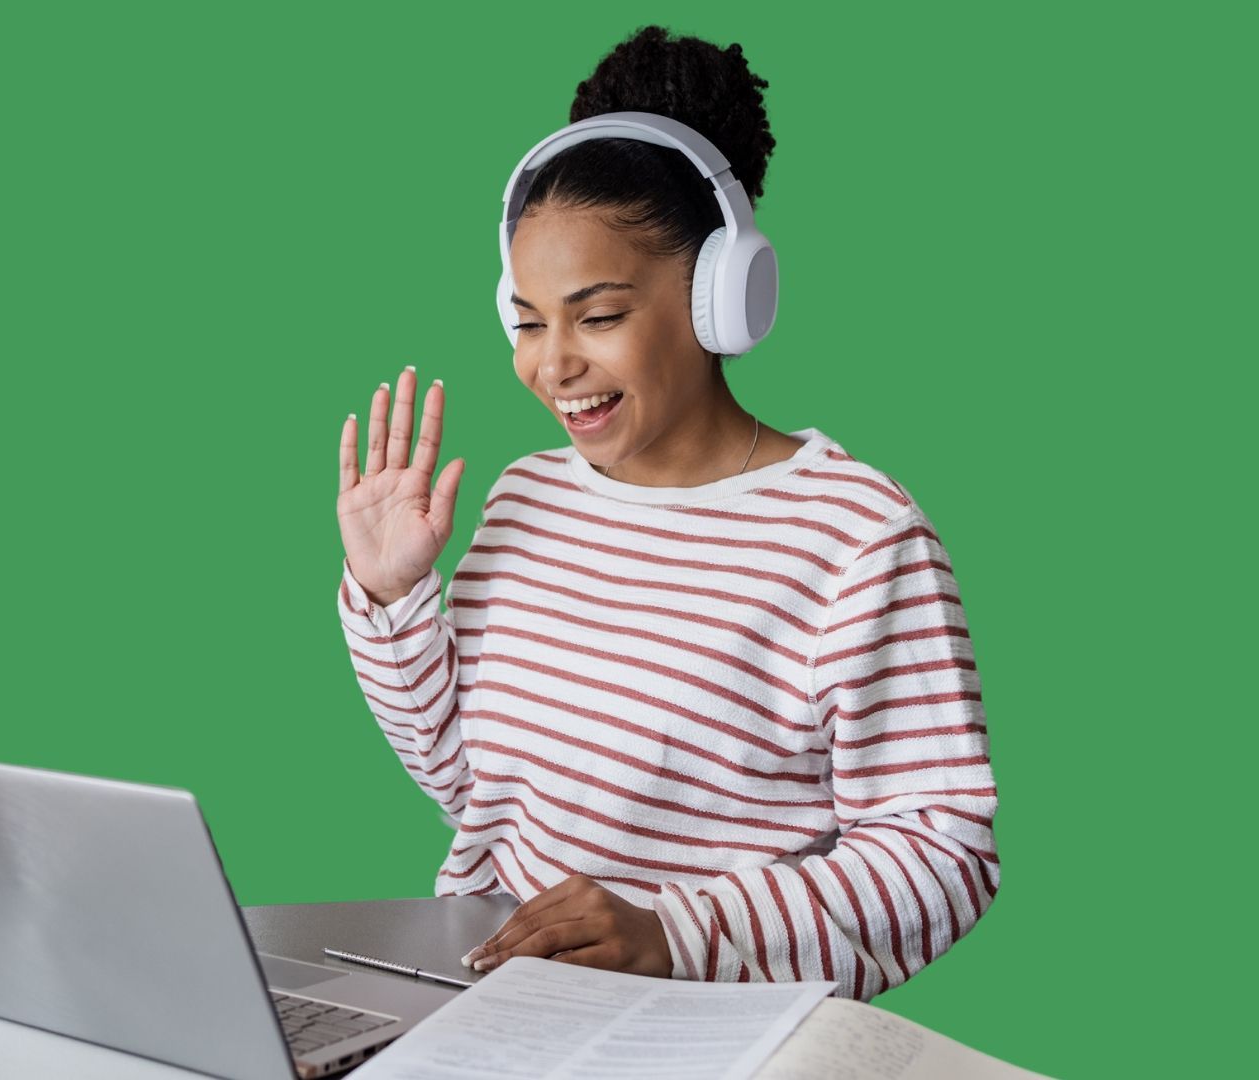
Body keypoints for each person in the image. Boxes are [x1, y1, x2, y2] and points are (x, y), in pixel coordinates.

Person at [333, 25, 995, 1002]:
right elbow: (473, 791)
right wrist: (393, 601)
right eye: (527, 320)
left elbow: (943, 857)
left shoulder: (856, 537)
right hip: (496, 1003)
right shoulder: (528, 497)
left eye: (598, 317)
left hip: (708, 1032)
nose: (552, 364)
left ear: (726, 295)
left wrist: (670, 935)